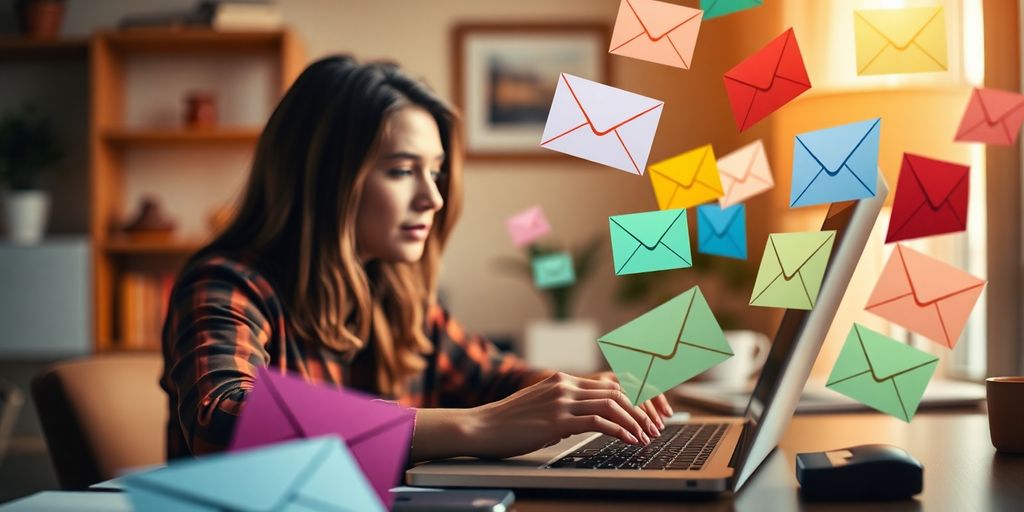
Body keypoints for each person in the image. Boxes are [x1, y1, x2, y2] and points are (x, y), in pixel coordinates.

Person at [161, 55, 672, 463]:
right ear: (323, 179)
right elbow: (225, 420)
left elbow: (496, 376)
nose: (434, 199)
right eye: (403, 171)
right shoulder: (228, 284)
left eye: (436, 172)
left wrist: (576, 395)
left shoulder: (394, 294)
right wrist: (478, 425)